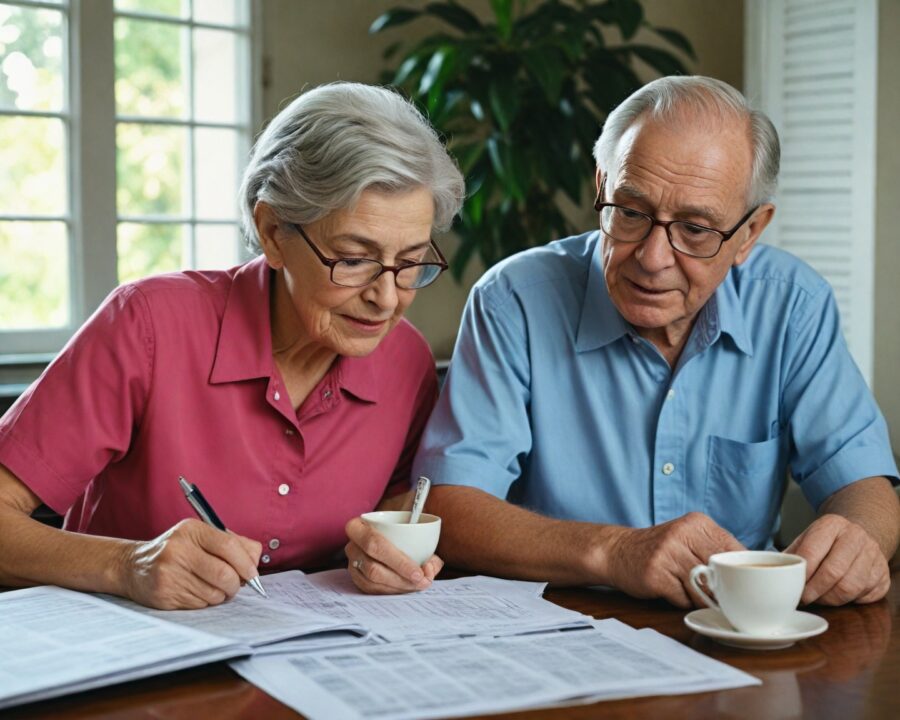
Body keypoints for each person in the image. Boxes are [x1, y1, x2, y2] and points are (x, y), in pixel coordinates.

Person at [408, 76, 900, 608]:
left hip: (734, 629)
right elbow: (449, 509)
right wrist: (615, 552)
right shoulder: (514, 300)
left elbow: (865, 485)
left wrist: (860, 537)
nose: (652, 257)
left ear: (750, 233)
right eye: (631, 212)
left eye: (694, 229)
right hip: (558, 620)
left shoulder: (793, 305)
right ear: (602, 185)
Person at [0, 82, 465, 608]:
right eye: (354, 259)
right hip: (123, 662)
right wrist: (127, 565)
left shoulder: (405, 360)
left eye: (410, 262)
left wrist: (382, 562)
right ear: (271, 231)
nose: (386, 298)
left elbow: (388, 517)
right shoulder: (150, 325)